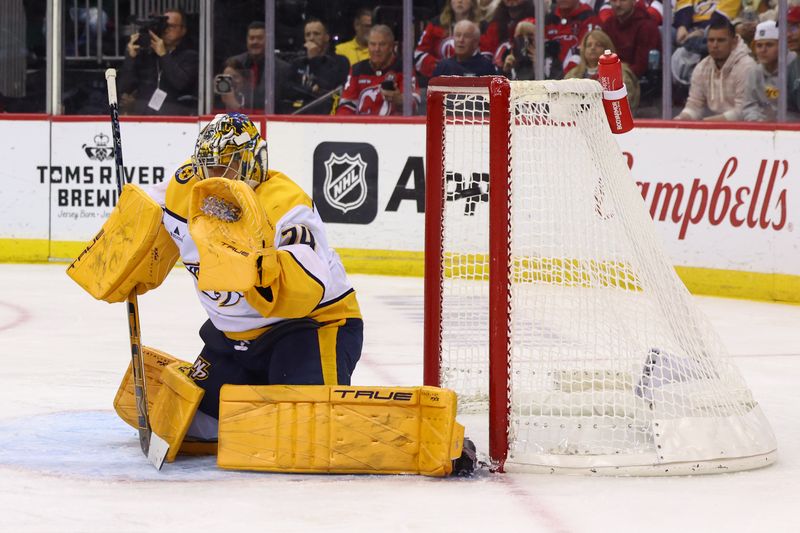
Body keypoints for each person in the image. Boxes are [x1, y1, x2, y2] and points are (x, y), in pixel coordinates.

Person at [153, 112, 363, 439]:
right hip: (232, 338)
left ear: (254, 164)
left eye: (229, 166)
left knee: (309, 432)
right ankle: (262, 388)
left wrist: (260, 262)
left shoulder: (287, 205)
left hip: (308, 329)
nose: (217, 177)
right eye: (210, 166)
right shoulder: (184, 188)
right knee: (192, 427)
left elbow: (306, 292)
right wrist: (127, 259)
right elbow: (149, 218)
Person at [118, 8, 198, 115]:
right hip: (143, 118)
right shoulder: (147, 54)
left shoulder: (190, 56)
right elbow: (124, 88)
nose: (166, 29)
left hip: (177, 119)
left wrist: (163, 55)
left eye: (171, 26)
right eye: (163, 25)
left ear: (183, 30)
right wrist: (130, 58)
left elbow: (180, 83)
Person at [675, 18, 756, 121]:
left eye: (721, 40)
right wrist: (680, 119)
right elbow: (694, 106)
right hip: (713, 128)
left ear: (734, 42)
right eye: (711, 40)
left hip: (746, 130)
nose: (715, 45)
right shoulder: (702, 67)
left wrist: (706, 123)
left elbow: (743, 111)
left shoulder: (747, 67)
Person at [337, 25, 420, 115]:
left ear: (391, 46)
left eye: (382, 44)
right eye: (373, 44)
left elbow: (414, 106)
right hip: (362, 127)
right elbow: (346, 106)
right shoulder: (357, 69)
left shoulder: (404, 68)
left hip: (392, 127)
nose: (377, 49)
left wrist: (399, 100)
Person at [564, 29, 640, 110]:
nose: (593, 48)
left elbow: (628, 100)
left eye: (598, 45)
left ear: (607, 49)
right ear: (583, 50)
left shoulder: (620, 72)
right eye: (589, 45)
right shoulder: (573, 74)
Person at [225, 21, 291, 113]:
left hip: (271, 123)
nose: (255, 42)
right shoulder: (233, 64)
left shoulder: (282, 69)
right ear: (247, 40)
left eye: (260, 38)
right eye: (251, 38)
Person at [414, 0, 490, 80]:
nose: (459, 1)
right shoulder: (436, 24)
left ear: (472, 2)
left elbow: (487, 57)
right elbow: (419, 55)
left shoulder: (483, 27)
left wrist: (462, 71)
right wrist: (441, 68)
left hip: (473, 80)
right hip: (441, 79)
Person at [287, 19, 350, 112]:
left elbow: (326, 88)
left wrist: (314, 60)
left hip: (328, 115)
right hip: (299, 115)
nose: (311, 38)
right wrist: (311, 90)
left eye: (316, 34)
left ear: (326, 37)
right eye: (308, 35)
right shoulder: (297, 63)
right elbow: (289, 91)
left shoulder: (339, 61)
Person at [601, 0, 661, 78]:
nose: (618, 4)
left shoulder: (646, 27)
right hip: (609, 77)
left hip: (635, 82)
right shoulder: (608, 25)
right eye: (614, 0)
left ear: (633, 1)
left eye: (623, 0)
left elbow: (641, 67)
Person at [544, 0, 602, 75]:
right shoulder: (549, 18)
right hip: (549, 74)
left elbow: (585, 53)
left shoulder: (589, 18)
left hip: (577, 76)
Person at [432, 20, 498, 76]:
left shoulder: (486, 67)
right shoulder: (443, 66)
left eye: (466, 36)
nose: (461, 40)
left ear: (476, 42)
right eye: (458, 35)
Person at [788, 6, 800, 115]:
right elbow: (790, 111)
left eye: (794, 27)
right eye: (785, 28)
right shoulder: (790, 68)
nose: (788, 34)